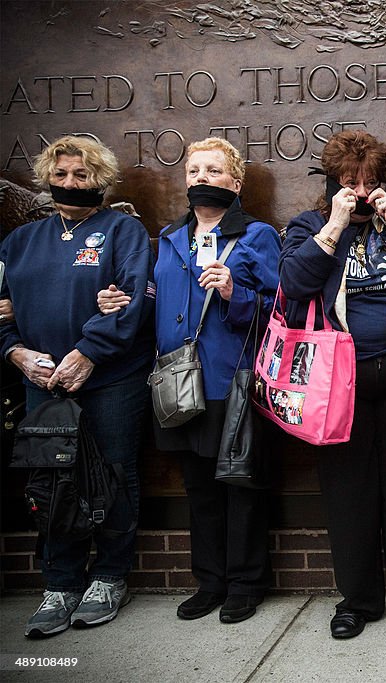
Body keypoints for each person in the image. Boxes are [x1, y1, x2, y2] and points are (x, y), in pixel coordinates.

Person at [98, 137, 281, 624]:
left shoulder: (257, 236)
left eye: (214, 170)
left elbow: (276, 309)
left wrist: (233, 291)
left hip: (231, 382)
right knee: (198, 488)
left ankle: (245, 583)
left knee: (239, 486)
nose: (202, 177)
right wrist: (120, 303)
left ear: (235, 183)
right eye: (194, 170)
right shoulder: (171, 237)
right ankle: (211, 582)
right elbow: (155, 300)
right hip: (177, 381)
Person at [278, 131, 386, 642]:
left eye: (371, 182)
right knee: (348, 497)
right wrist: (334, 224)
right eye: (350, 183)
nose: (363, 191)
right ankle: (358, 600)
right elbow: (294, 283)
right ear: (331, 184)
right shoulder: (309, 225)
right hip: (337, 383)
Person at [0, 135, 154, 637]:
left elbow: (133, 300)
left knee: (113, 477)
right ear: (47, 178)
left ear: (101, 181)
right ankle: (60, 584)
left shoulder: (123, 231)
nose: (70, 183)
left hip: (111, 379)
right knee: (51, 483)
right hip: (41, 384)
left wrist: (88, 352)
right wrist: (17, 353)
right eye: (62, 174)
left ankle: (109, 577)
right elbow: (1, 315)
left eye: (82, 175)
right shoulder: (19, 243)